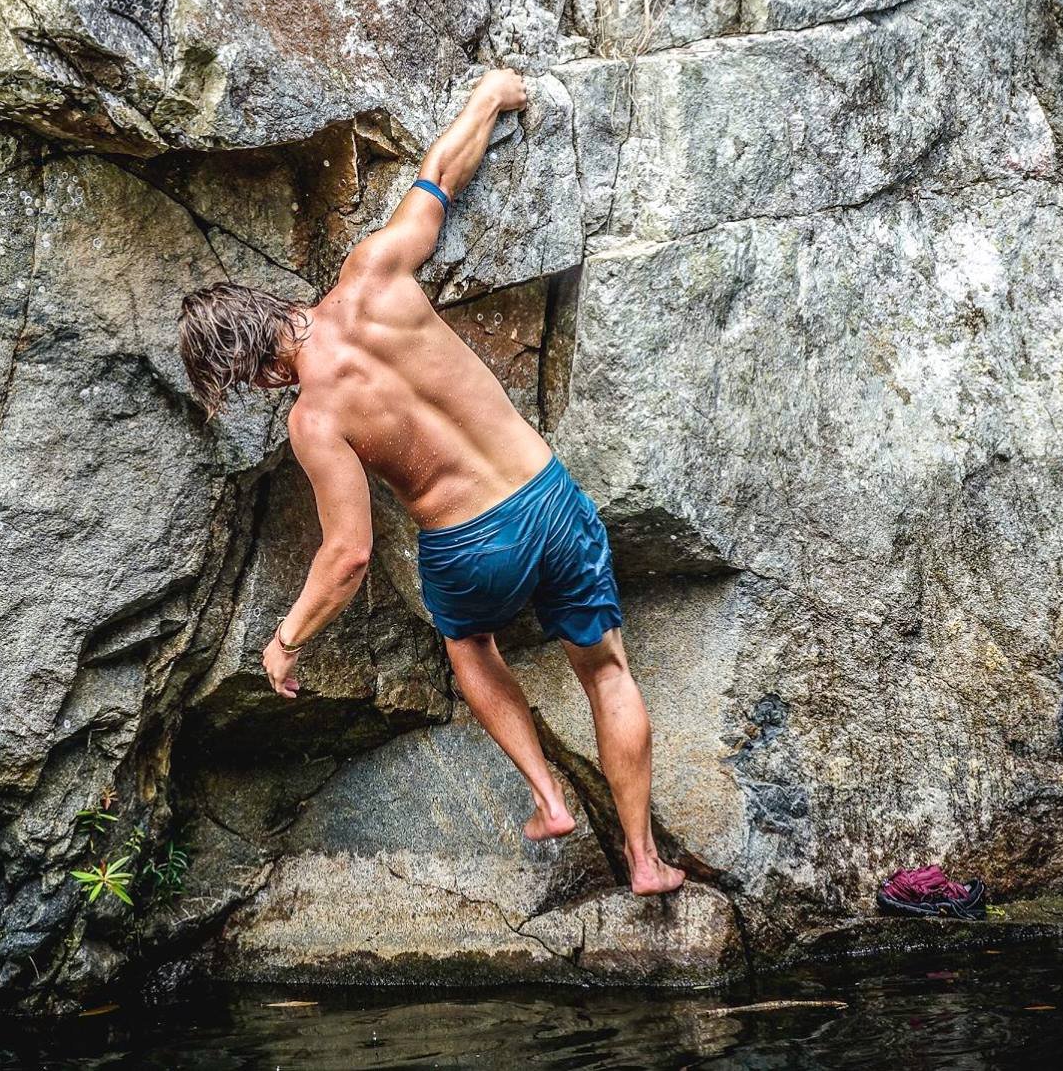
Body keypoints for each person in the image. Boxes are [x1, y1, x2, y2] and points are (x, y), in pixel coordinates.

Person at [176, 69, 685, 895]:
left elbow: (347, 555)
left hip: (469, 543)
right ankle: (644, 861)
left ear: (253, 370)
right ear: (268, 305)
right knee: (606, 671)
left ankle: (548, 797)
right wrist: (490, 98)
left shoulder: (314, 419)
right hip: (546, 496)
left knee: (469, 644)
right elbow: (439, 177)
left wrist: (286, 639)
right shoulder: (372, 271)